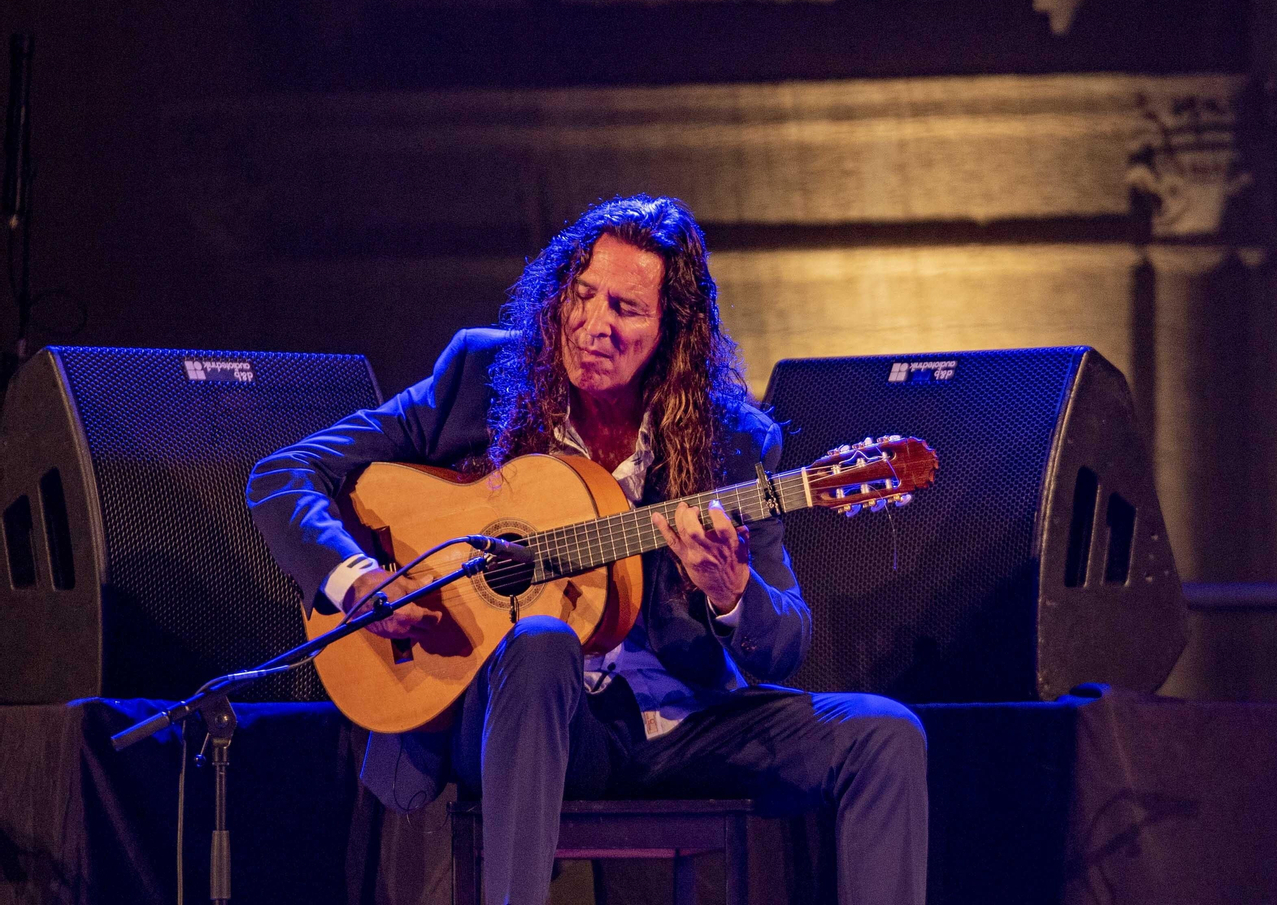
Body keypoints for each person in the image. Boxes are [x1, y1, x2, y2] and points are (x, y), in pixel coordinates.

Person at [247, 195, 928, 904]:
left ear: (672, 330)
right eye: (581, 296)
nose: (593, 326)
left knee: (885, 735)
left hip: (681, 730)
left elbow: (784, 641)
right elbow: (285, 473)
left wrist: (733, 593)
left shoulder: (733, 441)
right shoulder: (483, 380)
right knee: (542, 639)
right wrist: (357, 581)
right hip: (527, 723)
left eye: (627, 310)